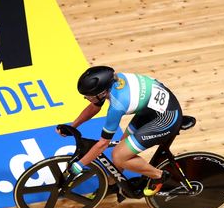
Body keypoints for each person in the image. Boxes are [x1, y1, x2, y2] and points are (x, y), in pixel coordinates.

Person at [59, 66, 183, 196]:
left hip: (166, 119)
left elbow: (103, 144)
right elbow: (94, 107)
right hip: (150, 110)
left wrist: (80, 164)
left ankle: (159, 176)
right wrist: (73, 126)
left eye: (88, 96)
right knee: (122, 147)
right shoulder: (112, 82)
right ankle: (113, 184)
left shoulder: (117, 105)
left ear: (102, 93)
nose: (86, 98)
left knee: (119, 156)